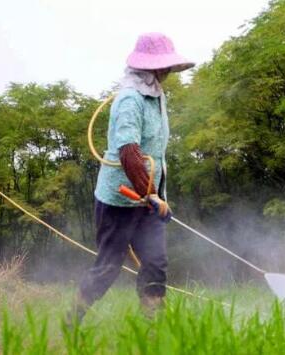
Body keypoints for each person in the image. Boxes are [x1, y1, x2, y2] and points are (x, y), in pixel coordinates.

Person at [77, 33, 194, 316]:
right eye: (162, 66)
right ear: (148, 67)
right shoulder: (130, 99)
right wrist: (151, 194)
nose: (167, 71)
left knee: (155, 263)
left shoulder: (155, 95)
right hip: (120, 199)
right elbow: (129, 152)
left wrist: (155, 196)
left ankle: (151, 328)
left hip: (148, 198)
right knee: (108, 267)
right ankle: (73, 318)